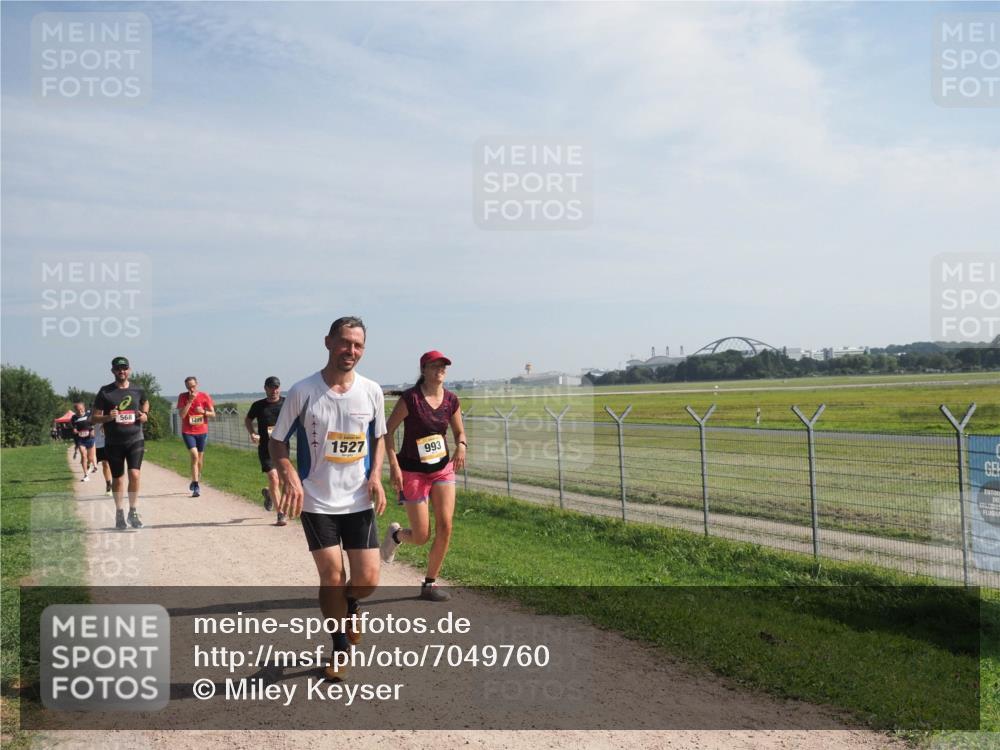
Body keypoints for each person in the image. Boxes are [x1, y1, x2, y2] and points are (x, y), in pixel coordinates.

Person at [270, 317, 387, 682]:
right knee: (332, 577)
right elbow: (277, 441)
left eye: (358, 345)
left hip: (358, 499)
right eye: (345, 342)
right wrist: (289, 474)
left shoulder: (372, 390)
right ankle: (339, 646)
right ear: (328, 342)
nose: (351, 350)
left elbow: (379, 437)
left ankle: (351, 605)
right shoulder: (303, 391)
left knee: (367, 580)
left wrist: (376, 474)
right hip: (316, 500)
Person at [380, 350, 466, 602]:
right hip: (413, 471)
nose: (441, 369)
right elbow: (387, 432)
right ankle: (396, 536)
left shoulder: (451, 400)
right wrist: (394, 466)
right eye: (435, 365)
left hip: (441, 469)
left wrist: (462, 445)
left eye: (443, 366)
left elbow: (459, 432)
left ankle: (429, 584)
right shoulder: (411, 399)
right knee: (421, 536)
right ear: (424, 370)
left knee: (445, 526)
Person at [91, 356, 149, 530]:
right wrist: (108, 417)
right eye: (118, 369)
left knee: (135, 475)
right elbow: (94, 418)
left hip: (135, 438)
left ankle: (133, 511)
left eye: (124, 368)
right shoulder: (105, 392)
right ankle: (119, 512)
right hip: (114, 442)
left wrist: (145, 414)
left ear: (129, 370)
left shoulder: (138, 389)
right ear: (113, 371)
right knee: (118, 479)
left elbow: (145, 402)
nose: (121, 371)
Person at [245, 376, 287, 526]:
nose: (274, 390)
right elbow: (248, 420)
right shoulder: (258, 405)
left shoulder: (286, 403)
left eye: (276, 387)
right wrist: (252, 433)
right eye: (271, 387)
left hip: (282, 447)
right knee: (274, 479)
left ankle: (269, 494)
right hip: (265, 447)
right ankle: (280, 514)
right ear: (265, 388)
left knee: (282, 481)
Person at [177, 376, 215, 497]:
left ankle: (196, 477)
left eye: (193, 386)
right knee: (194, 455)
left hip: (202, 431)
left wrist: (203, 412)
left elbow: (213, 414)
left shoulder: (204, 396)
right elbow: (182, 415)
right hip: (188, 432)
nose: (191, 389)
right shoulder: (182, 397)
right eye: (189, 387)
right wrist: (189, 401)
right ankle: (196, 486)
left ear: (197, 384)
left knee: (199, 459)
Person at [70, 402, 98, 481]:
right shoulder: (74, 418)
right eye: (78, 410)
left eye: (81, 409)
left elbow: (93, 423)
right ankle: (86, 475)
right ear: (75, 410)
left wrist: (92, 430)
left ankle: (89, 464)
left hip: (90, 438)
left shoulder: (89, 414)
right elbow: (74, 427)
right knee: (83, 455)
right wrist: (74, 430)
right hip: (80, 439)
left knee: (90, 458)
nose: (80, 411)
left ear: (84, 408)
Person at [93, 422, 113, 496]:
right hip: (98, 443)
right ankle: (109, 485)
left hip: (111, 442)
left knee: (113, 465)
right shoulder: (93, 415)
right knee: (105, 464)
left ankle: (115, 483)